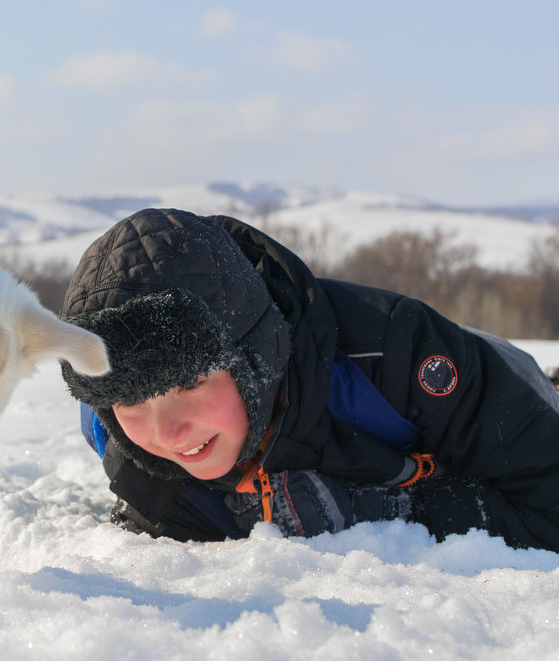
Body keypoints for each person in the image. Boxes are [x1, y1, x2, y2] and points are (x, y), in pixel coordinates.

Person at [59, 208, 559, 550]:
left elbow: (548, 506)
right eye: (133, 402)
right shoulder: (117, 435)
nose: (166, 432)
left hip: (511, 383)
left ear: (254, 355)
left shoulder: (398, 354)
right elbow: (175, 523)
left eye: (190, 383)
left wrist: (380, 513)